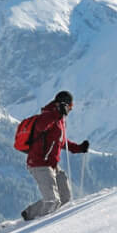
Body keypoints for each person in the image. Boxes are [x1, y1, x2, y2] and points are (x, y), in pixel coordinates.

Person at [21, 90, 91, 219]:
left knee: (65, 198)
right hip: (39, 164)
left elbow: (61, 142)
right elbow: (40, 126)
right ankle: (31, 223)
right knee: (52, 201)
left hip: (51, 165)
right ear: (64, 104)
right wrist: (57, 113)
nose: (70, 110)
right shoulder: (48, 115)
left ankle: (30, 213)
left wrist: (79, 148)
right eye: (70, 106)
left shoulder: (59, 120)